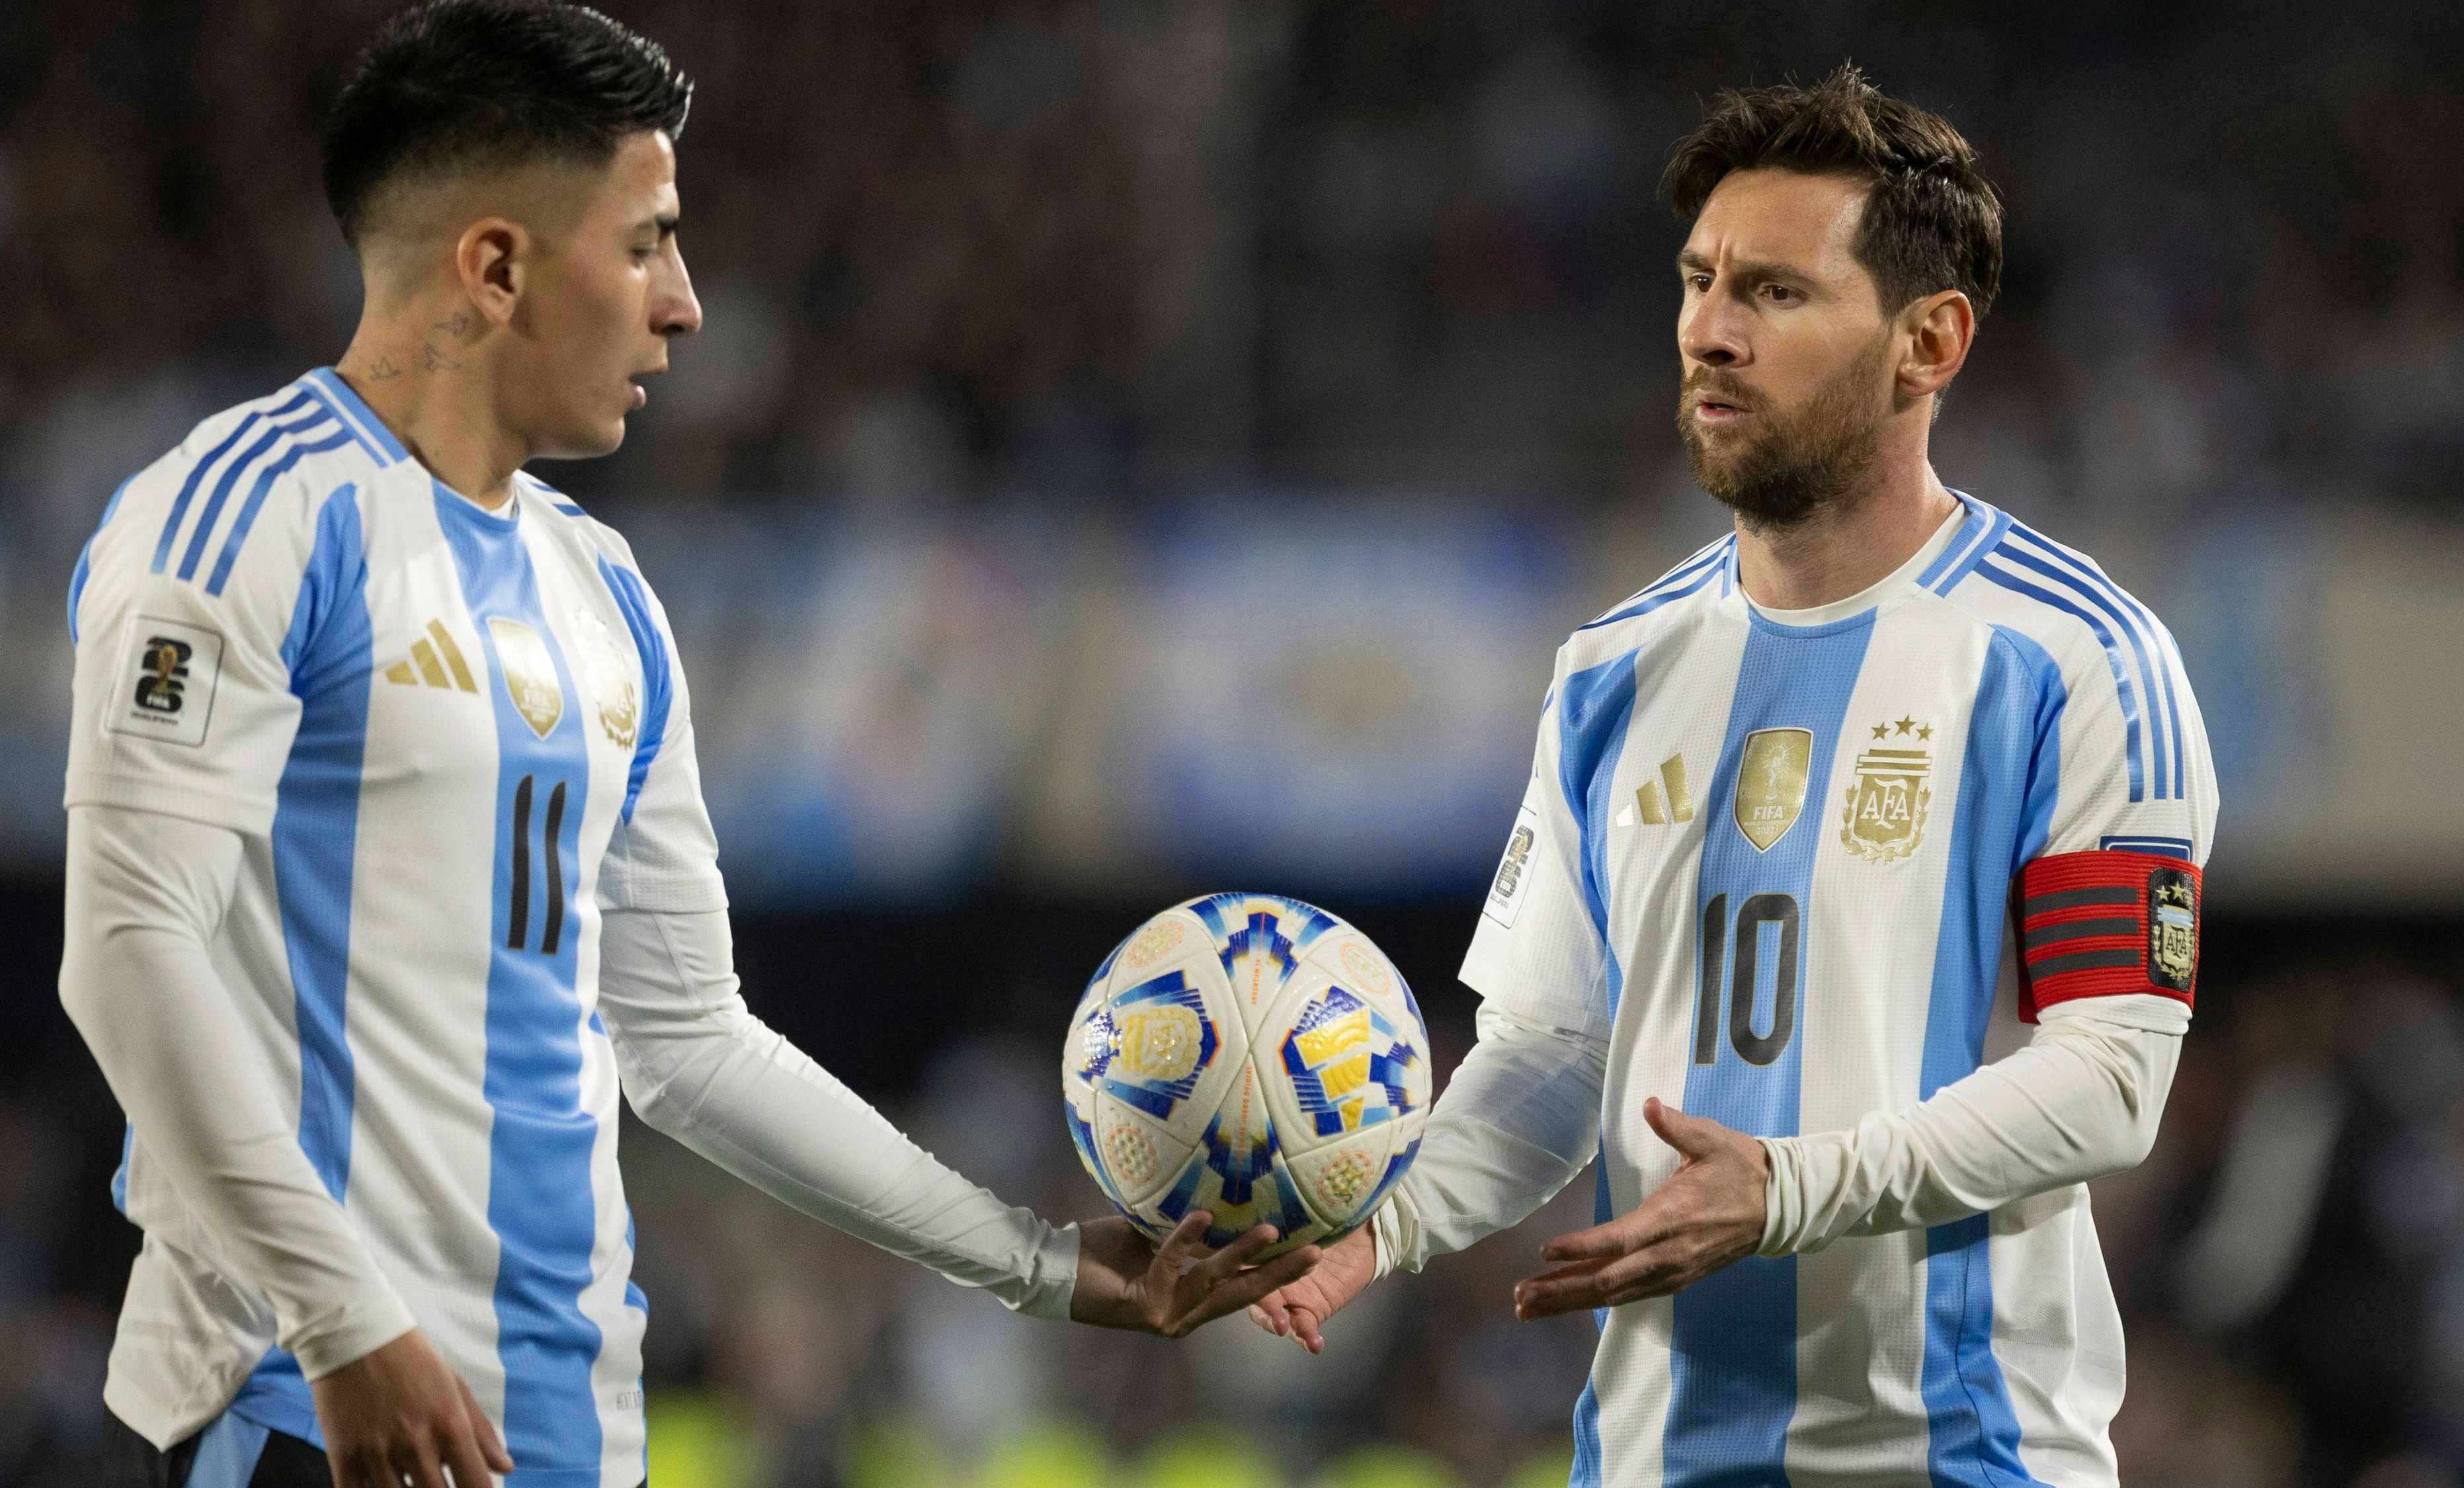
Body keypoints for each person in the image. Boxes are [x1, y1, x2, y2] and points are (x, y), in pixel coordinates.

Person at [59, 5, 1317, 1487]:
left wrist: (1041, 1264)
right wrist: (345, 1325)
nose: (687, 303)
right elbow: (128, 942)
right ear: (496, 264)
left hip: (578, 1437)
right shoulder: (248, 516)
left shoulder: (602, 592)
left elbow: (688, 1043)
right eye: (648, 241)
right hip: (321, 1417)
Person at [1251, 67, 2217, 1488]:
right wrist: (1378, 1221)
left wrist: (1785, 1193)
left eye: (1771, 293)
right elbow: (1551, 1060)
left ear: (1926, 343)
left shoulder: (2073, 662)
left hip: (1952, 1459)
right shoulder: (1609, 669)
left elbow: (2105, 1080)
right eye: (1697, 281)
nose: (1706, 332)